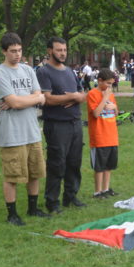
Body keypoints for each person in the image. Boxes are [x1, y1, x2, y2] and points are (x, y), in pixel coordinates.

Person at [0, 32, 49, 225]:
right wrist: (31, 99)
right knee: (13, 175)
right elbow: (15, 102)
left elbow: (40, 96)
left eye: (19, 50)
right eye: (13, 51)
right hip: (12, 132)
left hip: (32, 130)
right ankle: (12, 214)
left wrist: (24, 100)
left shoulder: (28, 70)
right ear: (4, 52)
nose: (17, 54)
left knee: (35, 172)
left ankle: (33, 209)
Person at [36, 36, 86, 214]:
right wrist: (72, 97)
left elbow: (81, 93)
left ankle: (70, 196)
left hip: (75, 122)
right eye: (58, 50)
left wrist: (75, 96)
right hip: (57, 125)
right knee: (57, 163)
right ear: (50, 50)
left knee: (74, 162)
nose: (63, 53)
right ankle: (52, 201)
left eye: (64, 50)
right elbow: (47, 99)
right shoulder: (44, 72)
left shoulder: (70, 71)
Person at [86, 69, 120, 199]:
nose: (110, 86)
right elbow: (95, 113)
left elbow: (116, 112)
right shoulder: (92, 94)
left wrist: (114, 108)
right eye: (108, 83)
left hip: (112, 136)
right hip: (99, 137)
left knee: (109, 166)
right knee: (99, 167)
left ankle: (106, 189)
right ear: (99, 81)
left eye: (111, 84)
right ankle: (97, 192)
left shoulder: (111, 95)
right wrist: (104, 98)